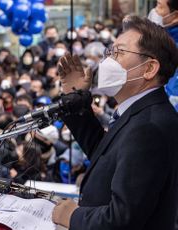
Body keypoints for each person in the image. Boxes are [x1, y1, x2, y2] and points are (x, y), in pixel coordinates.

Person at [51, 16, 178, 229]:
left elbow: (123, 218)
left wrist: (72, 216)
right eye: (110, 52)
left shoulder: (149, 127)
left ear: (149, 69)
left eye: (119, 52)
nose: (108, 60)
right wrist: (76, 100)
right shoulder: (138, 112)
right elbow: (107, 157)